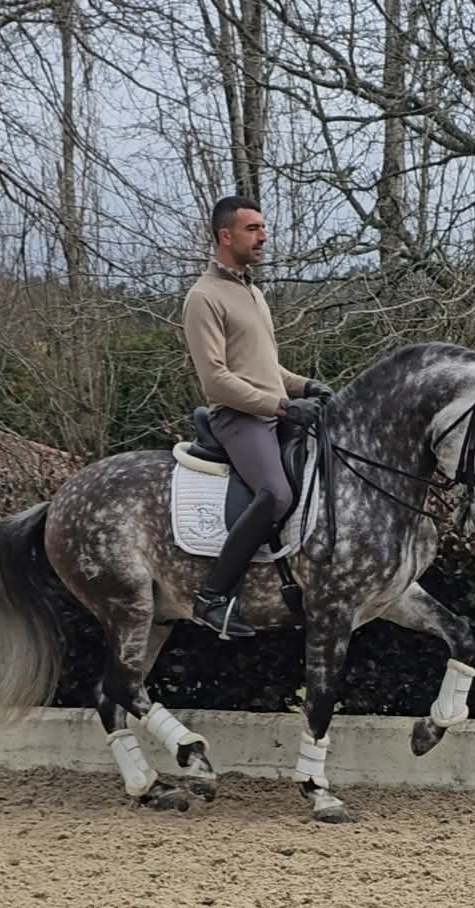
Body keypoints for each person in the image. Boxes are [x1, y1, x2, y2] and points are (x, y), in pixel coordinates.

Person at [182, 194, 332, 638]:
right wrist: (283, 406)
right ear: (225, 236)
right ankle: (212, 597)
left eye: (264, 228)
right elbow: (216, 381)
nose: (264, 236)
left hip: (272, 411)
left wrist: (306, 386)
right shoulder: (204, 297)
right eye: (253, 229)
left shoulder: (253, 292)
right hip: (238, 419)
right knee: (277, 494)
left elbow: (266, 369)